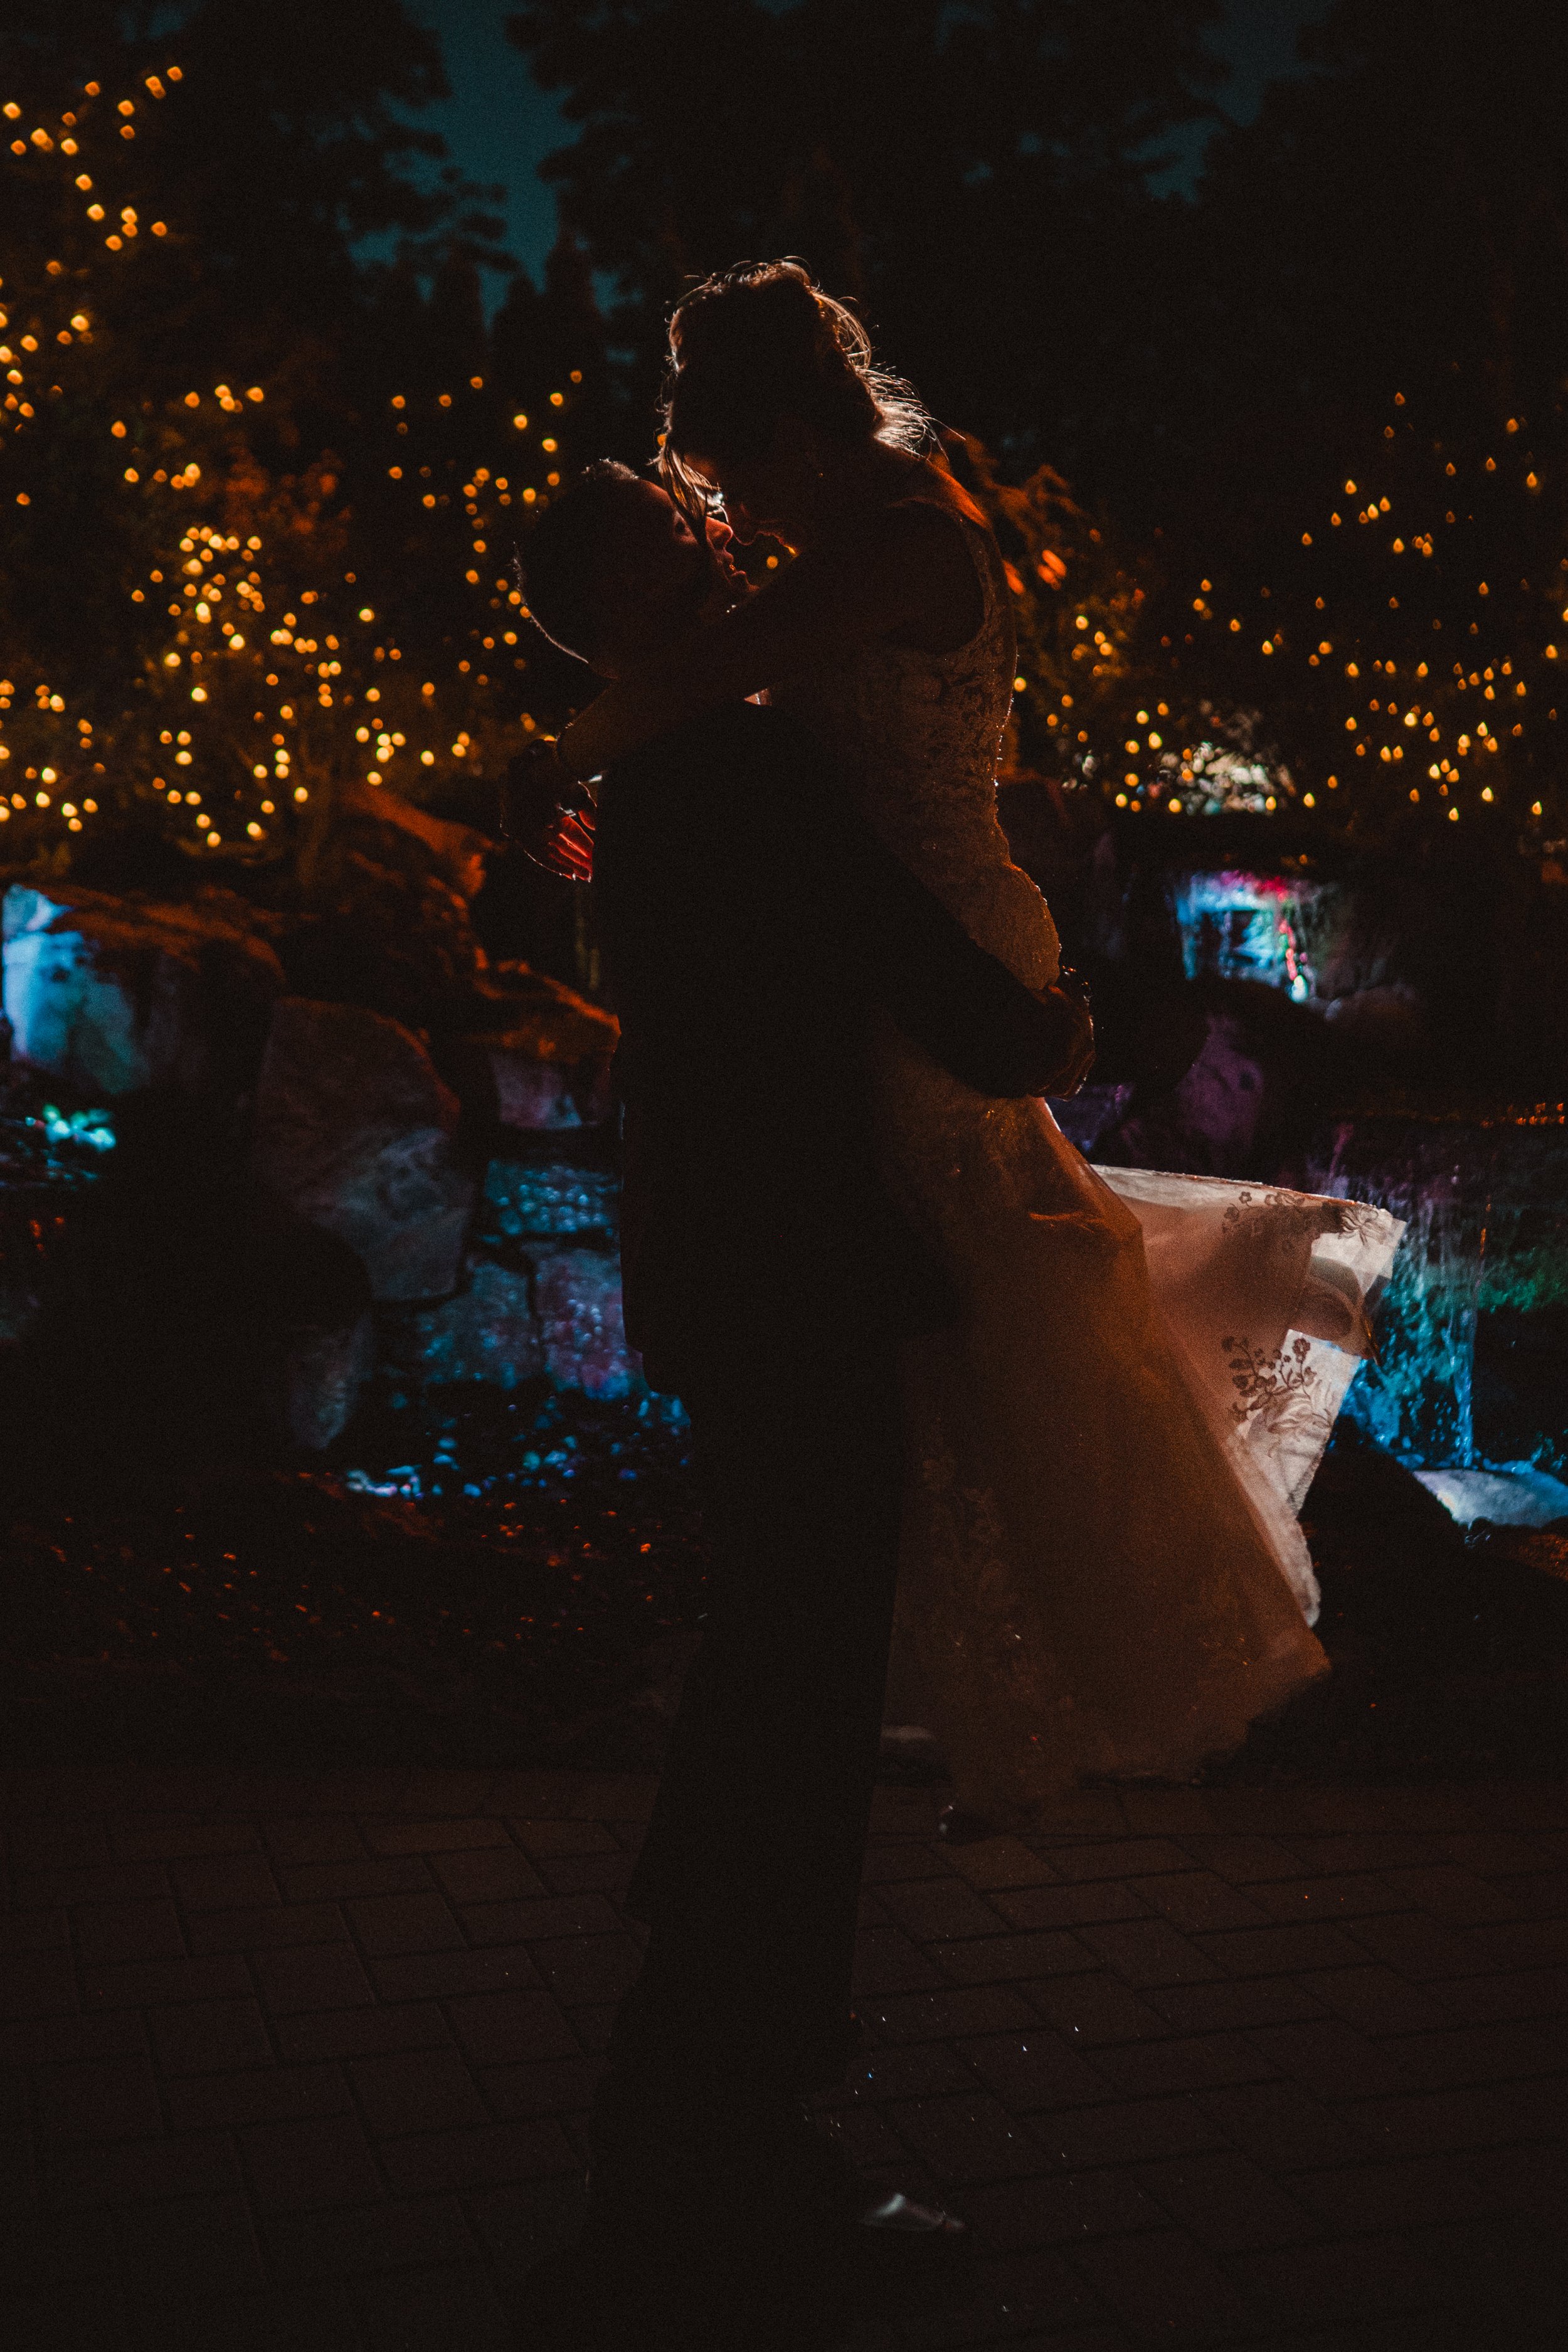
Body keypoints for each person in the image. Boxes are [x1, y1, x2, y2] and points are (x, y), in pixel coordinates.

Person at [513, 262, 1406, 1836]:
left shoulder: (888, 552)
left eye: (729, 483)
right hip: (902, 933)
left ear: (789, 436)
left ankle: (974, 1641)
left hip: (930, 941)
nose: (734, 523)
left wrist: (541, 774)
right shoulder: (861, 545)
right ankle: (892, 1653)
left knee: (985, 1307)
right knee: (954, 1306)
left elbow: (690, 684)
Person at [509, 460, 1093, 2341]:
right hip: (793, 1272)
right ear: (607, 591)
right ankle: (715, 2151)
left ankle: (699, 2112)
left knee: (771, 1665)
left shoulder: (639, 775)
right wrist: (1032, 1030)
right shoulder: (738, 766)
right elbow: (874, 941)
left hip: (724, 1267)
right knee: (796, 1687)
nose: (700, 531)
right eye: (651, 529)